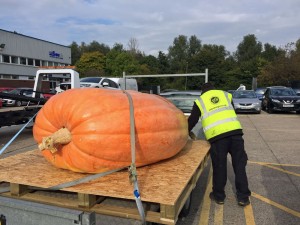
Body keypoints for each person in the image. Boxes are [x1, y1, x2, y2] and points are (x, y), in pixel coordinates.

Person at [188, 82, 251, 206]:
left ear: (203, 91)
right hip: (235, 133)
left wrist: (184, 132)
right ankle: (243, 197)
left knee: (219, 166)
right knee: (239, 165)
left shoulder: (200, 101)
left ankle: (219, 196)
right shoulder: (226, 95)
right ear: (213, 89)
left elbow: (193, 120)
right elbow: (232, 111)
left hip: (218, 138)